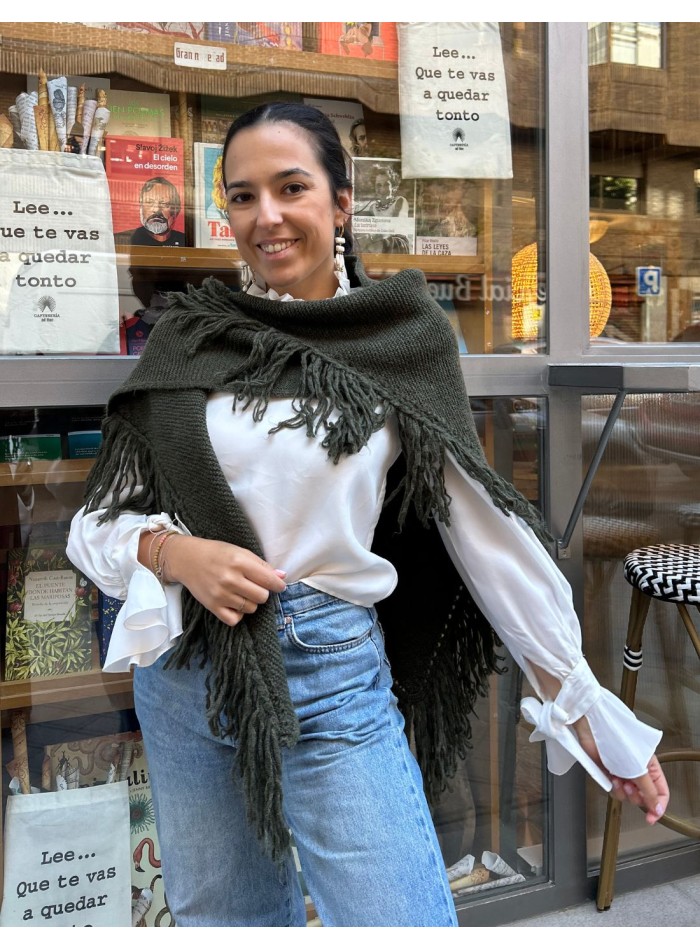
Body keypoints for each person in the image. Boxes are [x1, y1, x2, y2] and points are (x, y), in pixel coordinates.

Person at [67, 101, 669, 928]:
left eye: (290, 188)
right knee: (227, 924)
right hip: (184, 675)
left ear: (341, 202)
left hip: (329, 673)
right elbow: (97, 524)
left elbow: (484, 534)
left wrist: (582, 703)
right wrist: (175, 554)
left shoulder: (401, 337)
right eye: (242, 197)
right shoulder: (193, 338)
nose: (266, 217)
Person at [117, 176, 186, 247]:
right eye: (149, 202)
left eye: (164, 203)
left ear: (175, 210)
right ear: (141, 207)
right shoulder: (122, 240)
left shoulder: (187, 242)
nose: (156, 209)